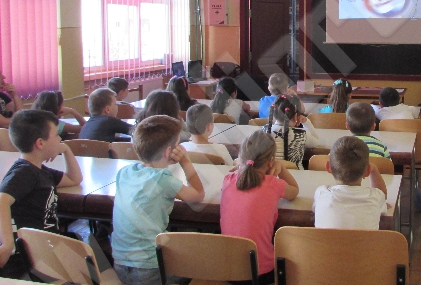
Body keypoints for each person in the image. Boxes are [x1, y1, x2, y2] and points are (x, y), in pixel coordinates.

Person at [0, 110, 83, 270]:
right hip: (33, 255)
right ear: (40, 143)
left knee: (87, 249)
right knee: (97, 261)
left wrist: (66, 149)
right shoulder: (24, 172)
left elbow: (74, 179)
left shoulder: (39, 170)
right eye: (56, 135)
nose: (60, 139)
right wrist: (7, 243)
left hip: (46, 246)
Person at [112, 115, 205, 285]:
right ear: (168, 152)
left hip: (119, 265)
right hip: (151, 271)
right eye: (178, 145)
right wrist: (185, 161)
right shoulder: (163, 179)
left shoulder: (124, 173)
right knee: (203, 264)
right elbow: (198, 195)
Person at [220, 130, 299, 285]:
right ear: (271, 162)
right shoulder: (274, 184)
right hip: (261, 274)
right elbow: (294, 190)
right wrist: (281, 168)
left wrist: (244, 167)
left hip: (229, 271)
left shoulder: (227, 180)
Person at [313, 136, 387, 229]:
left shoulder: (321, 193)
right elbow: (383, 195)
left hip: (325, 239)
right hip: (365, 240)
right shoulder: (375, 197)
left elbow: (315, 209)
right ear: (367, 171)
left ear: (328, 167)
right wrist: (374, 169)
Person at [265, 95, 319, 169]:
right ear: (295, 116)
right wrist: (306, 122)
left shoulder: (263, 130)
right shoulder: (301, 134)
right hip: (296, 174)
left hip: (270, 173)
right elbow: (316, 141)